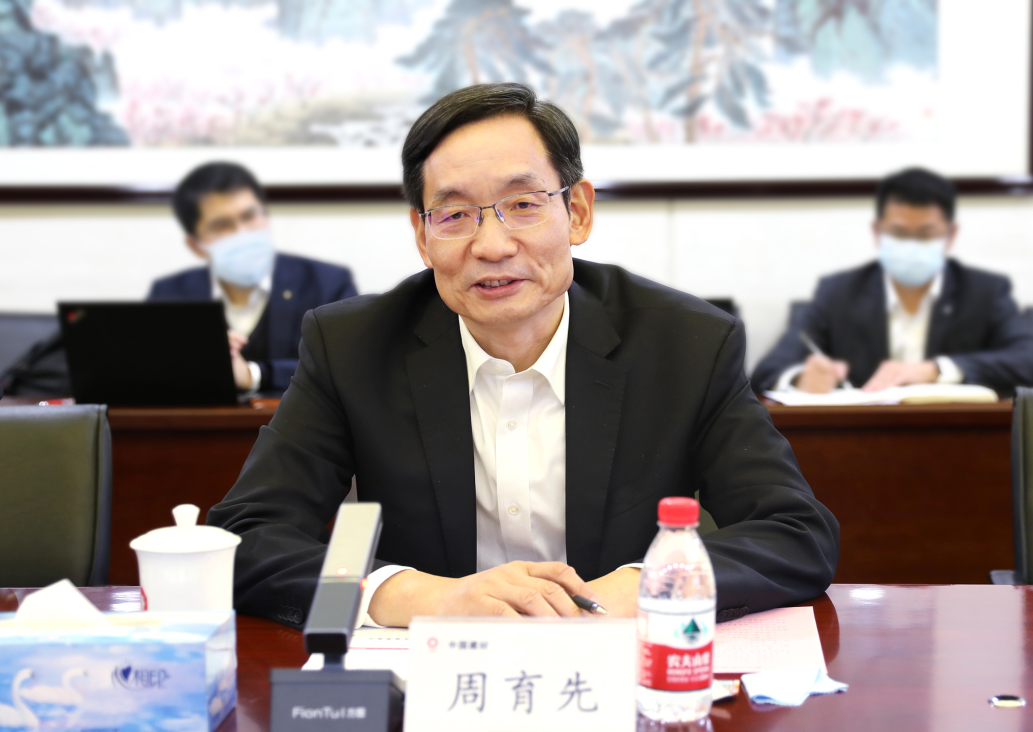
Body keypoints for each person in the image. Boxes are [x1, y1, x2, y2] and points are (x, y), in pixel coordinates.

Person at [207, 83, 839, 630]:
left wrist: (640, 588)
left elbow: (795, 533)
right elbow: (247, 536)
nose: (492, 245)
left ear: (578, 212)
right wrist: (421, 597)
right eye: (455, 214)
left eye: (523, 205)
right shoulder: (352, 346)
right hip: (434, 674)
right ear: (422, 235)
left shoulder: (685, 345)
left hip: (614, 669)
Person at [750, 168, 1033, 396]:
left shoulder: (984, 292)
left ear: (950, 234)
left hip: (956, 444)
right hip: (858, 446)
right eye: (899, 233)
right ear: (877, 231)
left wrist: (936, 370)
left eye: (926, 233)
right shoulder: (838, 293)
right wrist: (799, 379)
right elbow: (766, 372)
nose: (911, 245)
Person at [149, 162, 358, 392]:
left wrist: (253, 374)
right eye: (222, 225)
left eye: (250, 216)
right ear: (196, 244)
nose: (243, 233)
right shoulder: (171, 293)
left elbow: (349, 367)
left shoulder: (327, 284)